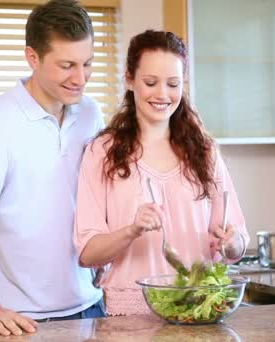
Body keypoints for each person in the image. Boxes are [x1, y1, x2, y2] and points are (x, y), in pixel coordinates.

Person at [0, 0, 105, 336]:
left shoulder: (91, 114)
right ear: (33, 57)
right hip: (23, 321)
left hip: (91, 308)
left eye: (87, 63)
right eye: (67, 65)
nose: (80, 78)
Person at [74, 30, 249, 316]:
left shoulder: (204, 152)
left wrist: (232, 243)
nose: (162, 95)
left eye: (173, 84)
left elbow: (236, 241)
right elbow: (87, 253)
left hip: (199, 309)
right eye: (151, 82)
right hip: (129, 317)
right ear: (129, 79)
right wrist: (132, 230)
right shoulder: (102, 153)